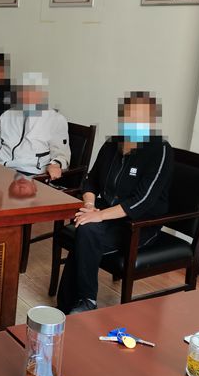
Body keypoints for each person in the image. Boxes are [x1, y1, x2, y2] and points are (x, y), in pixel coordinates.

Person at [57, 92, 174, 315]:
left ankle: (77, 303)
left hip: (139, 223)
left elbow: (142, 201)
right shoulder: (113, 143)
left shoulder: (160, 150)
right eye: (128, 116)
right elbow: (91, 180)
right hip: (108, 212)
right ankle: (78, 304)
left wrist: (99, 215)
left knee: (86, 231)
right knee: (86, 227)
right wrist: (89, 206)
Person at [0, 72, 70, 178]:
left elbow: (61, 155)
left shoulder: (55, 120)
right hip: (1, 168)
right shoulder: (7, 115)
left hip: (31, 173)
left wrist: (55, 165)